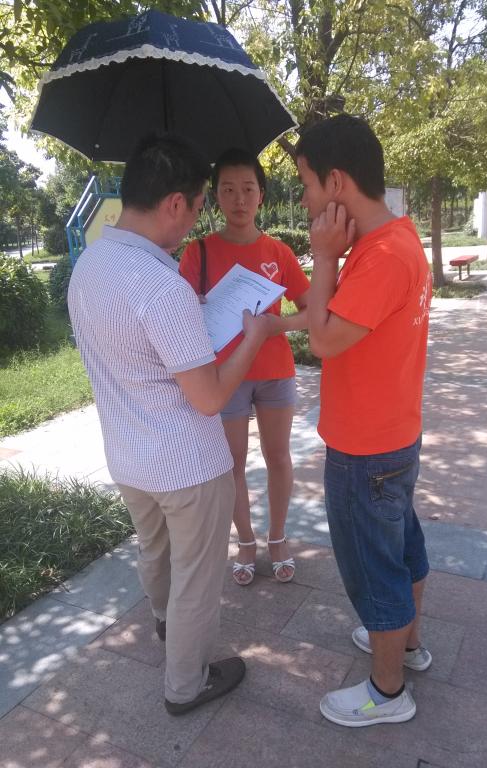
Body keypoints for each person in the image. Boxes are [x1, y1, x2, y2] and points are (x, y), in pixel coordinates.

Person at [67, 134, 272, 716]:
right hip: (188, 468)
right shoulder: (162, 286)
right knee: (196, 581)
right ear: (175, 203)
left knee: (155, 554)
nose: (197, 220)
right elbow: (209, 398)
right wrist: (253, 336)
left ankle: (163, 624)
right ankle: (185, 685)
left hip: (128, 457)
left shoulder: (89, 265)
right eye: (201, 205)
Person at [295, 114, 432, 727]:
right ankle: (407, 645)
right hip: (394, 436)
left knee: (376, 572)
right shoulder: (397, 240)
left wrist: (323, 254)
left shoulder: (379, 258)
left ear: (336, 182)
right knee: (402, 550)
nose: (304, 201)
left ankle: (387, 691)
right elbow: (340, 322)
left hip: (365, 451)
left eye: (306, 185)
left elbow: (324, 340)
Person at [179, 148, 310, 586]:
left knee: (278, 456)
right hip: (225, 376)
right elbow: (179, 314)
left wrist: (276, 325)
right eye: (229, 190)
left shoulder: (279, 252)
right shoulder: (198, 253)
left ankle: (278, 538)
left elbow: (312, 311)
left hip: (274, 371)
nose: (239, 199)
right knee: (233, 462)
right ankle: (246, 542)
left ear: (262, 195)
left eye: (248, 189)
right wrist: (193, 305)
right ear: (215, 196)